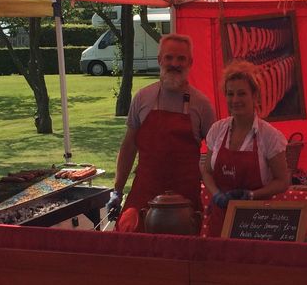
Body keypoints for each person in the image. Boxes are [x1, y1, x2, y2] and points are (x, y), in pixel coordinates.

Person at [109, 34, 216, 232]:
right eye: (169, 57)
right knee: (132, 256)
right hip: (144, 195)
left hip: (184, 204)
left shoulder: (202, 105)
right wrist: (117, 189)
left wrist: (215, 194)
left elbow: (216, 154)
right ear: (160, 60)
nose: (174, 63)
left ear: (190, 62)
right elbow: (129, 146)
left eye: (181, 58)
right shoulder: (142, 98)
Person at [200, 61, 291, 237]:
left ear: (255, 95)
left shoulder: (269, 136)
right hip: (220, 218)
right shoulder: (217, 130)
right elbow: (207, 172)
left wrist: (251, 195)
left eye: (242, 94)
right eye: (230, 94)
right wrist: (217, 194)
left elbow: (282, 181)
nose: (235, 100)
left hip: (256, 221)